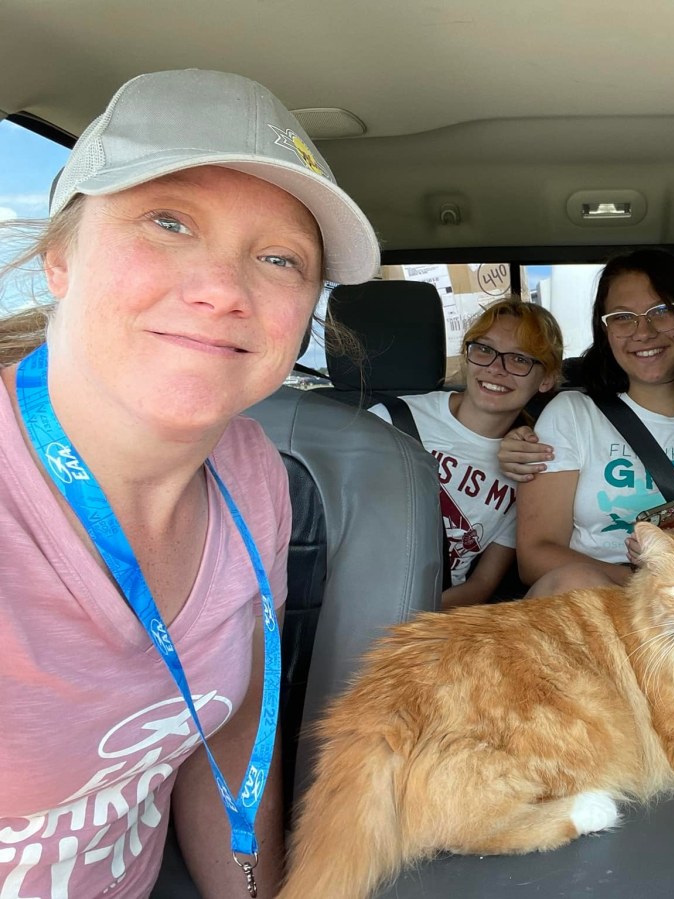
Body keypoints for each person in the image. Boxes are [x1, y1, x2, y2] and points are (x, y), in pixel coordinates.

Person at [0, 69, 379, 898]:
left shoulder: (254, 478)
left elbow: (230, 728)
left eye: (279, 257)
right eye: (168, 222)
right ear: (60, 255)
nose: (221, 291)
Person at [515, 248, 674, 596]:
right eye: (623, 317)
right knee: (577, 583)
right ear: (605, 331)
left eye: (661, 312)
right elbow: (535, 556)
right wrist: (644, 585)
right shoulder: (571, 414)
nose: (643, 331)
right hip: (589, 606)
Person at [370, 298, 563, 608]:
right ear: (468, 356)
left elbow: (481, 585)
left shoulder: (530, 469)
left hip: (434, 616)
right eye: (484, 350)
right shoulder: (389, 420)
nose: (496, 369)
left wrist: (413, 620)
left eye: (519, 359)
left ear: (547, 379)